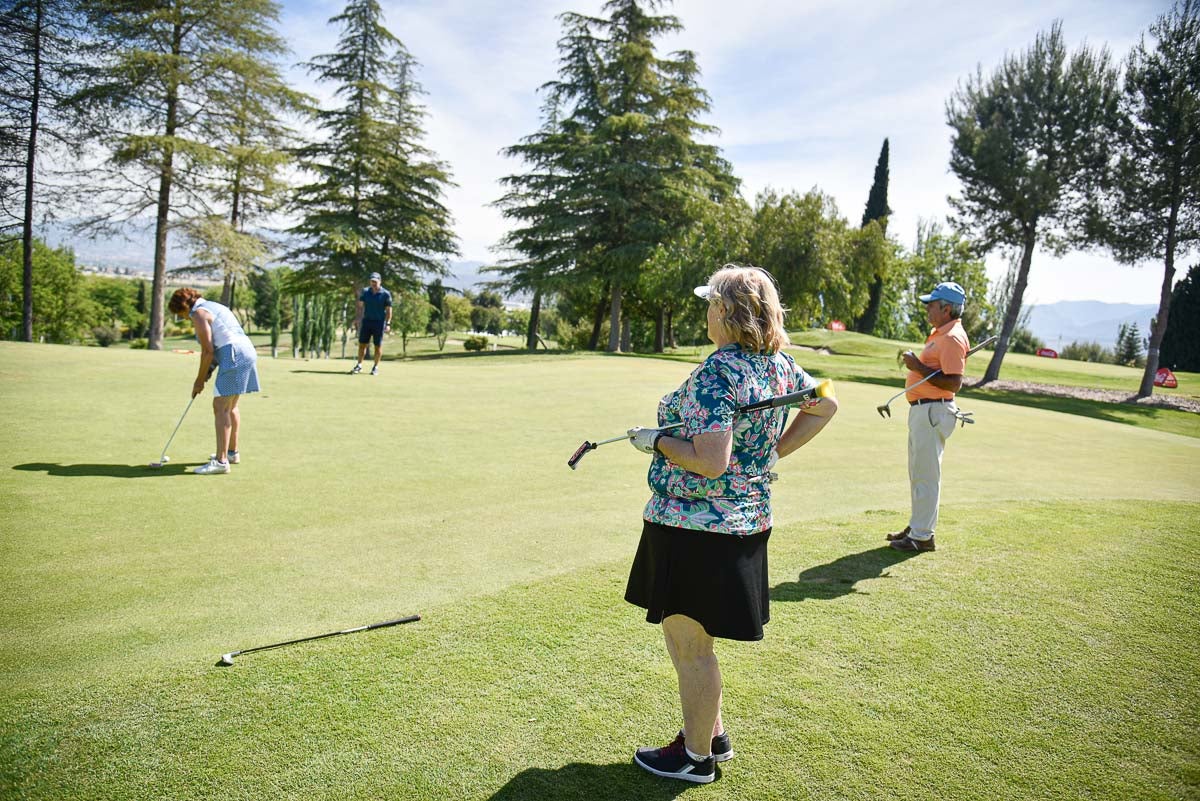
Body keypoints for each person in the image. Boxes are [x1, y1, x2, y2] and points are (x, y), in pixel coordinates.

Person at [623, 264, 838, 784]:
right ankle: (712, 735)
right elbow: (826, 403)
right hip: (743, 522)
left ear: (725, 310)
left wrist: (652, 440)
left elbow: (710, 459)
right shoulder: (779, 364)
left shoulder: (718, 372)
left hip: (696, 528)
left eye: (710, 304)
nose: (705, 312)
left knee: (689, 644)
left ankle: (696, 758)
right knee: (696, 640)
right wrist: (770, 454)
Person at [888, 281, 971, 552]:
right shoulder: (941, 333)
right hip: (924, 410)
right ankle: (917, 526)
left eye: (932, 305)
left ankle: (922, 537)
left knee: (926, 475)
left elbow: (953, 383)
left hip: (934, 410)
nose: (927, 309)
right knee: (918, 473)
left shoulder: (952, 337)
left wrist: (917, 366)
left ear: (946, 308)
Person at [167, 288, 261, 475]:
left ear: (184, 307)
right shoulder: (214, 306)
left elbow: (208, 350)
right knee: (231, 406)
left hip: (233, 354)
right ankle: (232, 453)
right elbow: (221, 341)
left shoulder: (199, 314)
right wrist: (209, 370)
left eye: (181, 314)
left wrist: (199, 381)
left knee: (221, 407)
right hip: (246, 352)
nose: (184, 318)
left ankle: (221, 461)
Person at [352, 272, 392, 375]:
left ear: (380, 281)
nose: (373, 283)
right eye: (372, 281)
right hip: (367, 321)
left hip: (379, 323)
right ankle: (359, 365)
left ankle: (375, 367)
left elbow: (389, 310)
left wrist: (388, 323)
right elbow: (360, 306)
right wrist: (357, 318)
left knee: (377, 346)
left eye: (375, 281)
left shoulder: (385, 294)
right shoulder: (365, 292)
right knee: (362, 344)